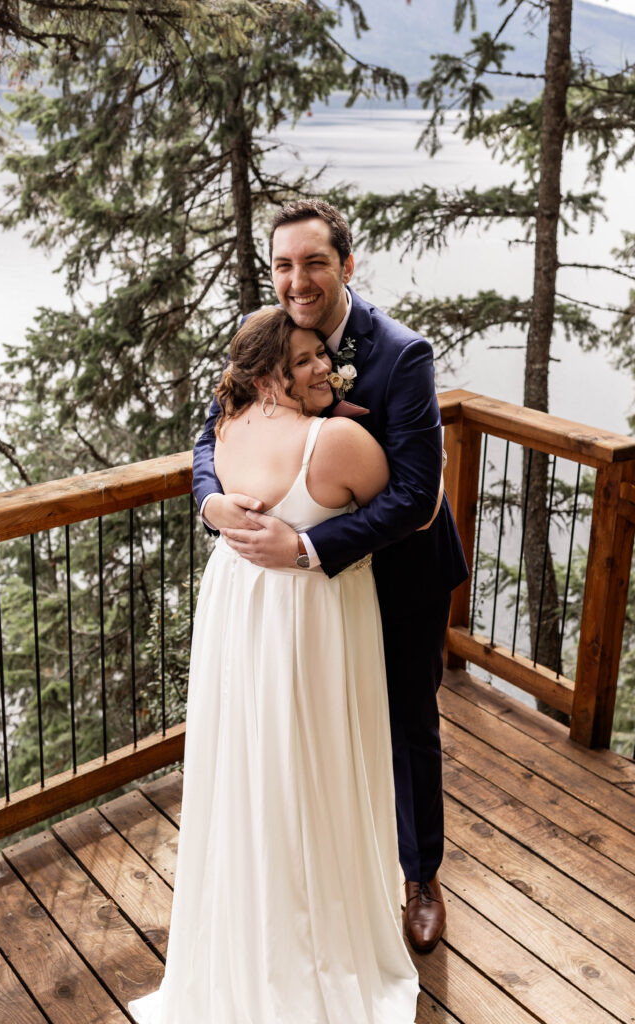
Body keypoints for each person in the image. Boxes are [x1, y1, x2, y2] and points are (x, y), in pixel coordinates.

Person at [129, 307, 420, 1023]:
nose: (327, 367)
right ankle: (323, 940)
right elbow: (414, 502)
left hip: (240, 608)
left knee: (254, 767)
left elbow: (203, 457)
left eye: (325, 355)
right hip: (310, 616)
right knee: (319, 764)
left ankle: (250, 937)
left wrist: (215, 506)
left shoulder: (229, 426)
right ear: (268, 376)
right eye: (307, 362)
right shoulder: (338, 441)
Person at [192, 199, 468, 954]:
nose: (296, 279)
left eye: (313, 262)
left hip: (400, 573)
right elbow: (209, 427)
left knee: (406, 721)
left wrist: (307, 550)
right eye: (283, 264)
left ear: (346, 265)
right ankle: (326, 869)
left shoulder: (401, 354)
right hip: (313, 596)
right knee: (317, 720)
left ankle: (419, 878)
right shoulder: (270, 335)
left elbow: (415, 494)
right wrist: (212, 501)